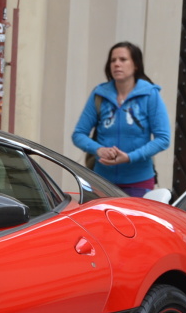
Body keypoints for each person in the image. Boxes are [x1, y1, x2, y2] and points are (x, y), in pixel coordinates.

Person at [72, 41, 171, 197]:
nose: (117, 64)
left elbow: (163, 138)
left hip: (139, 182)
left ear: (136, 65)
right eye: (113, 60)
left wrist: (130, 157)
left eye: (123, 59)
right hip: (101, 181)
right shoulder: (99, 95)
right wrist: (99, 149)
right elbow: (79, 135)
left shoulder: (150, 95)